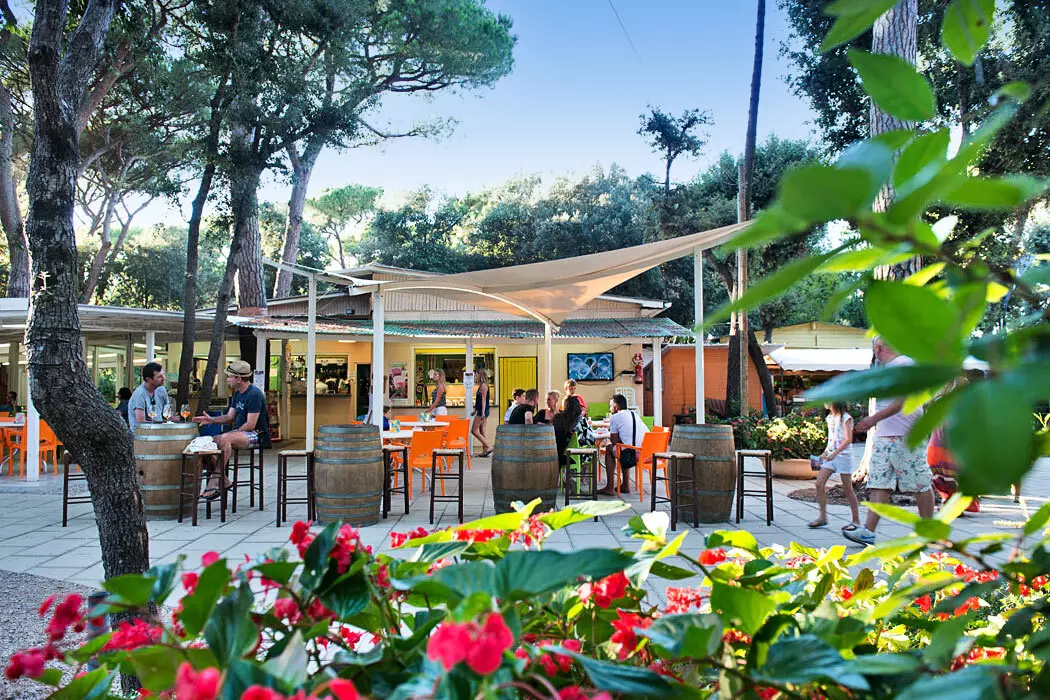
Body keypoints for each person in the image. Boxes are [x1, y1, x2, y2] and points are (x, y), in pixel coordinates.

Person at [844, 337, 935, 546]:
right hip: (886, 435)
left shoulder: (904, 365)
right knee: (879, 483)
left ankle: (929, 532)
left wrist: (873, 420)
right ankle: (868, 532)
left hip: (905, 435)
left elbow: (903, 401)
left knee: (919, 483)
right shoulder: (893, 368)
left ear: (878, 348)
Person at [192, 361, 271, 500]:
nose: (227, 379)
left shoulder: (254, 394)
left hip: (257, 434)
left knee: (225, 438)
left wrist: (232, 433)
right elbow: (229, 417)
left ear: (238, 379)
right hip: (241, 432)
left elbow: (251, 424)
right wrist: (211, 420)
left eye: (229, 377)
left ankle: (214, 481)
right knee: (207, 443)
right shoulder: (237, 394)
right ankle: (224, 480)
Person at [808, 401, 860, 531]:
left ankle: (856, 520)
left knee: (848, 489)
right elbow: (831, 438)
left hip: (844, 456)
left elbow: (848, 439)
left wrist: (835, 453)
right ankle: (822, 518)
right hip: (831, 456)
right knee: (819, 484)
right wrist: (825, 452)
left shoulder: (845, 417)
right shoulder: (830, 418)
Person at [599, 394, 649, 496]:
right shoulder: (635, 414)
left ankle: (609, 487)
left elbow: (614, 440)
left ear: (615, 406)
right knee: (623, 447)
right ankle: (625, 485)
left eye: (610, 405)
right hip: (647, 452)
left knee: (610, 448)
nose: (609, 408)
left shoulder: (615, 417)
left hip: (633, 453)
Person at [553, 395, 596, 467]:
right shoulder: (581, 420)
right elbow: (592, 440)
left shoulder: (558, 418)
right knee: (590, 450)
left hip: (560, 455)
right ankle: (583, 473)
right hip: (578, 456)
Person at [128, 362, 170, 435]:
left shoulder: (162, 390)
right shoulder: (139, 394)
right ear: (148, 379)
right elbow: (141, 423)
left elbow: (167, 412)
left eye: (163, 375)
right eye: (159, 377)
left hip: (159, 434)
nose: (164, 378)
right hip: (142, 437)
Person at [471, 371, 493, 457]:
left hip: (482, 411)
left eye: (476, 375)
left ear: (480, 376)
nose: (475, 376)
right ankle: (485, 451)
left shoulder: (483, 386)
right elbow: (479, 400)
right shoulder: (481, 385)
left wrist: (482, 412)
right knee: (482, 431)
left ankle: (488, 446)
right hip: (481, 410)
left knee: (474, 431)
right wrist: (475, 410)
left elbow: (484, 400)